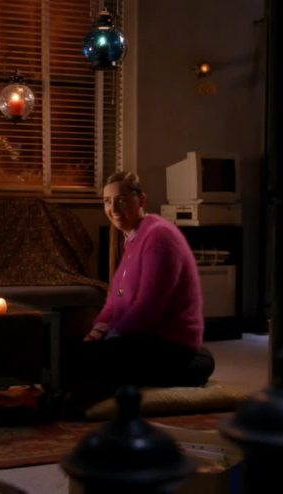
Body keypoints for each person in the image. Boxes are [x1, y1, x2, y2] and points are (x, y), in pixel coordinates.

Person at [68, 171, 215, 408]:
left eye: (121, 200)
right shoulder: (132, 239)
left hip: (169, 343)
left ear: (141, 200)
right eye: (107, 201)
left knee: (90, 360)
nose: (113, 208)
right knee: (77, 349)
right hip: (146, 337)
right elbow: (117, 300)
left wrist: (110, 339)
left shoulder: (158, 236)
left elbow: (149, 306)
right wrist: (96, 332)